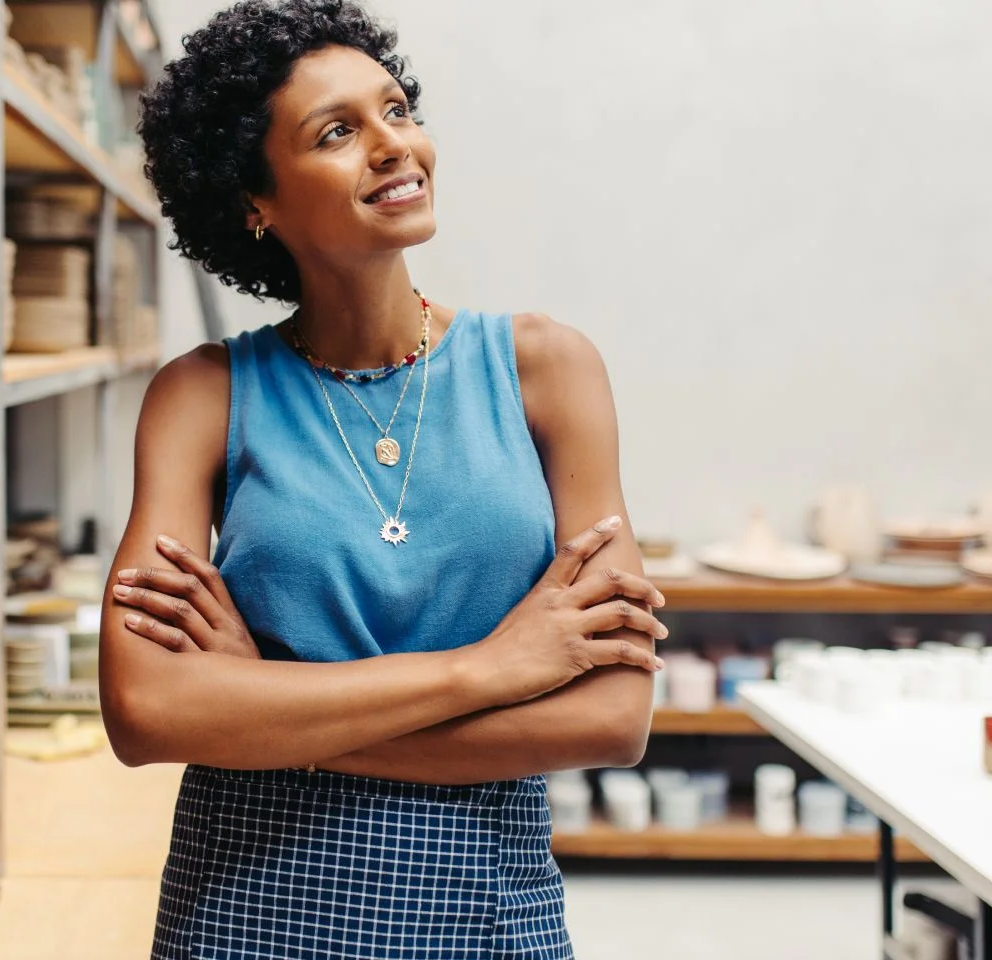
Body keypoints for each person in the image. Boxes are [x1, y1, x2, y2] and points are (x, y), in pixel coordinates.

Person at [99, 1, 667, 955]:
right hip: (249, 909)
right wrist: (487, 670)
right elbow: (149, 710)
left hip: (487, 904)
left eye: (396, 110)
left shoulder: (547, 369)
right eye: (337, 132)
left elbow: (614, 715)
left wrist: (267, 706)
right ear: (256, 202)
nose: (392, 146)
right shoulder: (201, 396)